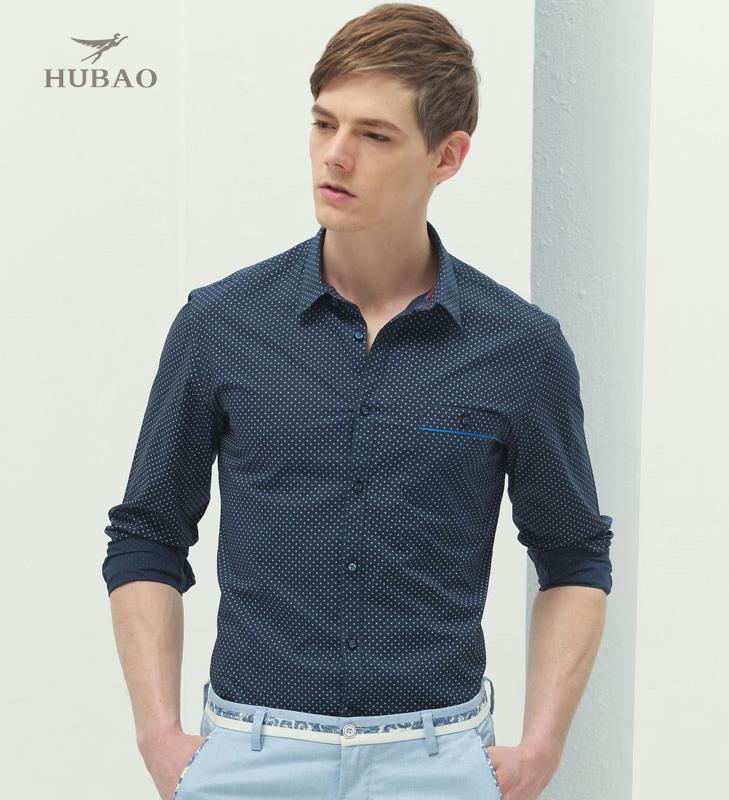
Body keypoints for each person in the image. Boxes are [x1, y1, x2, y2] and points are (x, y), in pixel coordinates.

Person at [101, 4, 614, 799]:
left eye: (375, 135)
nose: (336, 155)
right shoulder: (221, 324)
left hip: (436, 764)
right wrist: (159, 736)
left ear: (447, 156)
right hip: (250, 759)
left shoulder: (521, 347)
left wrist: (542, 748)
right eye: (323, 123)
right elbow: (147, 534)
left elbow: (574, 555)